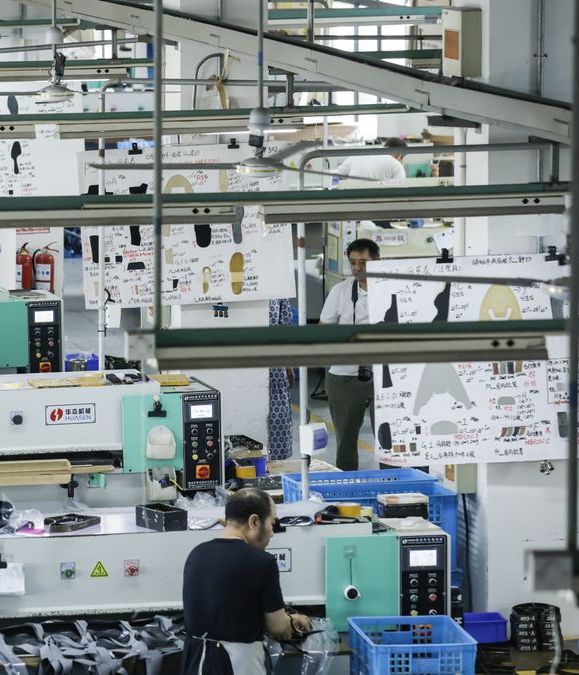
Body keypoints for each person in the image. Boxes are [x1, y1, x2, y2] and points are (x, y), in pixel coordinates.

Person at [183, 488, 314, 674]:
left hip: (196, 660)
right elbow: (278, 627)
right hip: (237, 662)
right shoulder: (262, 561)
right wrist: (291, 620)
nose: (272, 533)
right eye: (272, 523)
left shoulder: (196, 554)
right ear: (254, 522)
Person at [319, 238, 380, 471]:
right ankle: (347, 486)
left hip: (385, 374)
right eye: (353, 262)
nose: (357, 268)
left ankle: (397, 486)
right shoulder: (341, 291)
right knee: (345, 444)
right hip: (344, 375)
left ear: (377, 261)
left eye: (363, 262)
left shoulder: (393, 289)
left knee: (391, 441)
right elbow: (323, 331)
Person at [335, 137, 407, 182]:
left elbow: (337, 175)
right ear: (399, 155)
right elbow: (401, 186)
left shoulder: (359, 154)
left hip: (350, 197)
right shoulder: (396, 165)